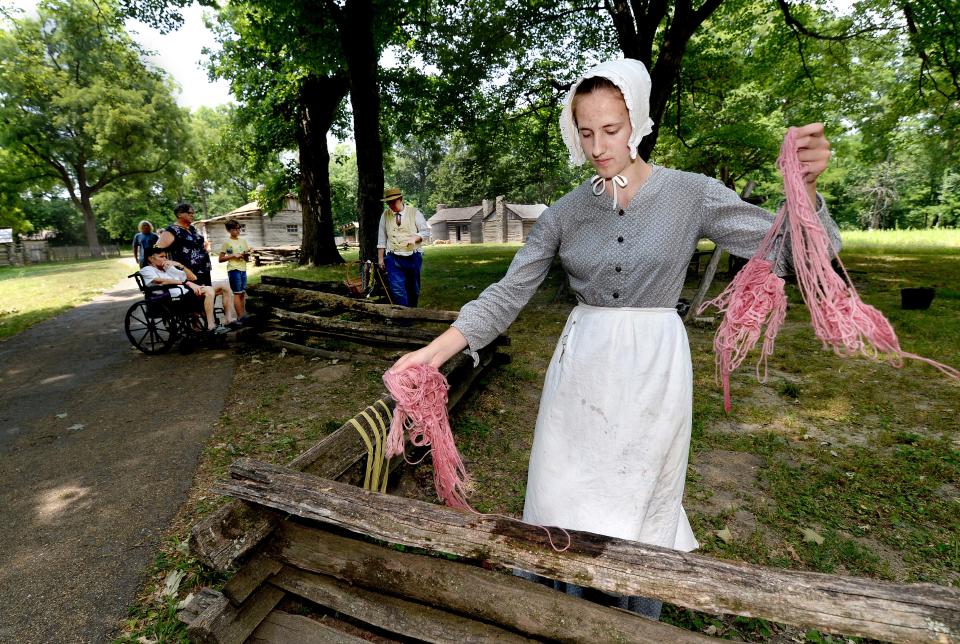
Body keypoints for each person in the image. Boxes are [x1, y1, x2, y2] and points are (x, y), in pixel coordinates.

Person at [390, 59, 838, 618]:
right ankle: (561, 616)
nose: (599, 147)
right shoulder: (565, 214)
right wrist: (431, 355)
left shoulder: (690, 194)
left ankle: (628, 621)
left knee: (637, 500)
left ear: (639, 122)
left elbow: (790, 251)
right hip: (583, 366)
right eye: (586, 132)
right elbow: (507, 294)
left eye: (612, 129)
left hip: (654, 365)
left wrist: (807, 191)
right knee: (563, 496)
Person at [139, 246, 235, 335]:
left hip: (185, 294)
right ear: (151, 258)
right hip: (173, 299)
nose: (165, 259)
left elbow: (193, 277)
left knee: (224, 287)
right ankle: (211, 326)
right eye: (161, 257)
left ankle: (228, 320)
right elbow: (161, 281)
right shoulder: (147, 270)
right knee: (208, 290)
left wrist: (180, 265)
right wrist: (186, 283)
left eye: (165, 256)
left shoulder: (168, 268)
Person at [376, 187, 431, 307]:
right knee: (397, 290)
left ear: (401, 199)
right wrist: (381, 259)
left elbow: (426, 232)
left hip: (413, 257)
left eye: (393, 202)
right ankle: (404, 319)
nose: (391, 205)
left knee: (413, 289)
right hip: (393, 257)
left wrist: (415, 238)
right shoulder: (385, 216)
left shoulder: (414, 212)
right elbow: (381, 239)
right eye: (388, 203)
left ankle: (412, 313)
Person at [155, 203, 213, 286]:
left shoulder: (192, 228)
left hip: (203, 268)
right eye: (189, 213)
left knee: (208, 295)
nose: (192, 215)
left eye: (193, 213)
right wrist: (166, 261)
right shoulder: (172, 230)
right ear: (179, 214)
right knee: (195, 297)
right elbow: (155, 248)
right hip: (188, 272)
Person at [218, 219, 250, 322]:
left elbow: (246, 259)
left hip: (243, 269)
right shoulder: (227, 243)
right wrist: (232, 255)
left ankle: (243, 315)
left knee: (242, 293)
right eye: (235, 229)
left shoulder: (243, 241)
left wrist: (245, 255)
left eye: (239, 228)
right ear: (229, 230)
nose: (238, 231)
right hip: (233, 270)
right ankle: (240, 317)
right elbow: (220, 259)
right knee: (237, 293)